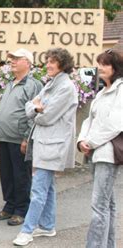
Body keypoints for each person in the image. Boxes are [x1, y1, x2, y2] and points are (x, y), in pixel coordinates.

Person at [13, 48, 78, 246]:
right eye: (47, 61)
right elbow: (29, 106)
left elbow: (47, 116)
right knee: (47, 186)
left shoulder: (65, 87)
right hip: (45, 142)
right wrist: (37, 108)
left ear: (63, 65)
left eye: (53, 62)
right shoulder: (51, 84)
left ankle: (27, 230)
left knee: (39, 188)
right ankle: (48, 226)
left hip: (53, 143)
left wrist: (37, 109)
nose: (48, 65)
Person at [77, 49, 123, 248]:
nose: (100, 68)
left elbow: (115, 124)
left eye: (105, 64)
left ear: (116, 68)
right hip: (97, 152)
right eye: (99, 63)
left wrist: (91, 142)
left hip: (107, 153)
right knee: (107, 205)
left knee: (99, 207)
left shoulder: (120, 91)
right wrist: (82, 141)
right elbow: (90, 120)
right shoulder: (103, 92)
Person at [0, 48, 42, 226]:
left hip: (19, 138)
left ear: (28, 63)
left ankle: (21, 209)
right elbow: (2, 111)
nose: (12, 61)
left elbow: (34, 113)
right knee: (6, 174)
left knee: (21, 175)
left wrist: (26, 138)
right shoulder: (10, 83)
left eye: (17, 58)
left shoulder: (33, 85)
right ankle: (10, 205)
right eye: (11, 59)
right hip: (5, 136)